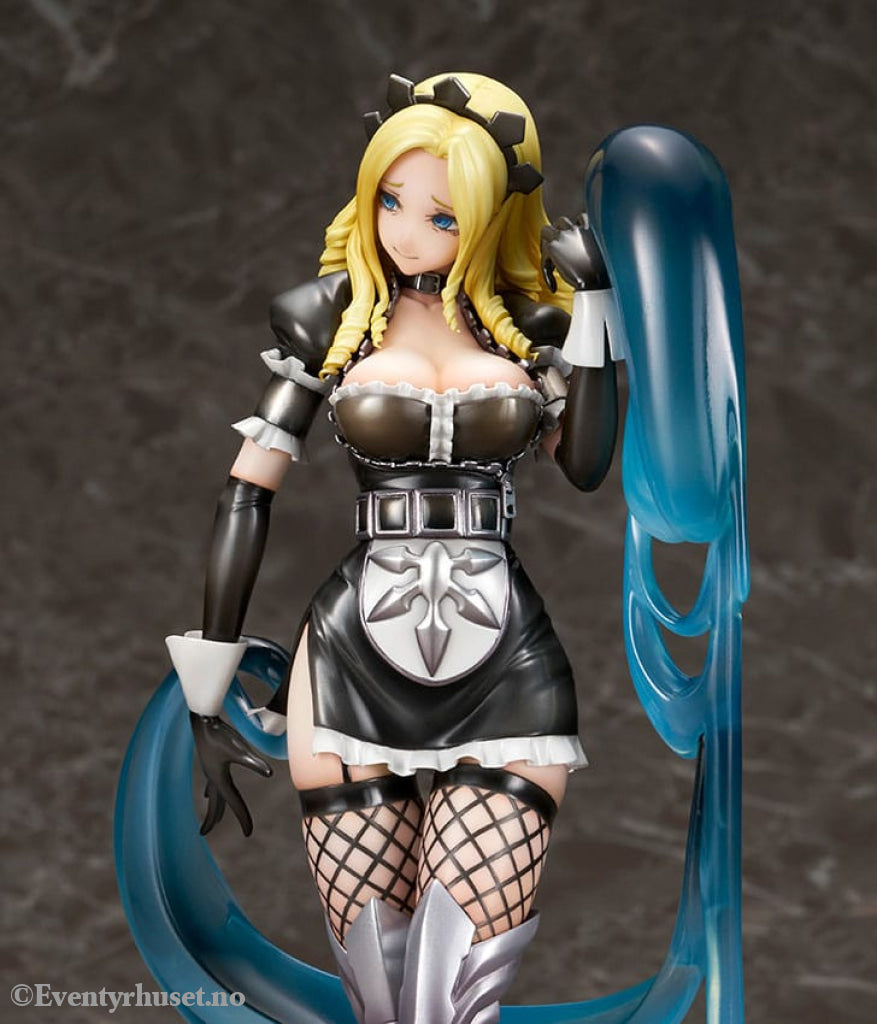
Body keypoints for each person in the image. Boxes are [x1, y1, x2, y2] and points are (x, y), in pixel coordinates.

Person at [165, 72, 622, 1024]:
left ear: (488, 219)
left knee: (461, 992)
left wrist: (596, 302)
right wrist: (206, 694)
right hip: (348, 655)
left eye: (442, 217)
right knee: (381, 993)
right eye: (390, 200)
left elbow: (584, 465)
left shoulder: (535, 329)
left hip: (506, 657)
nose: (408, 232)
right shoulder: (326, 317)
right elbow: (246, 492)